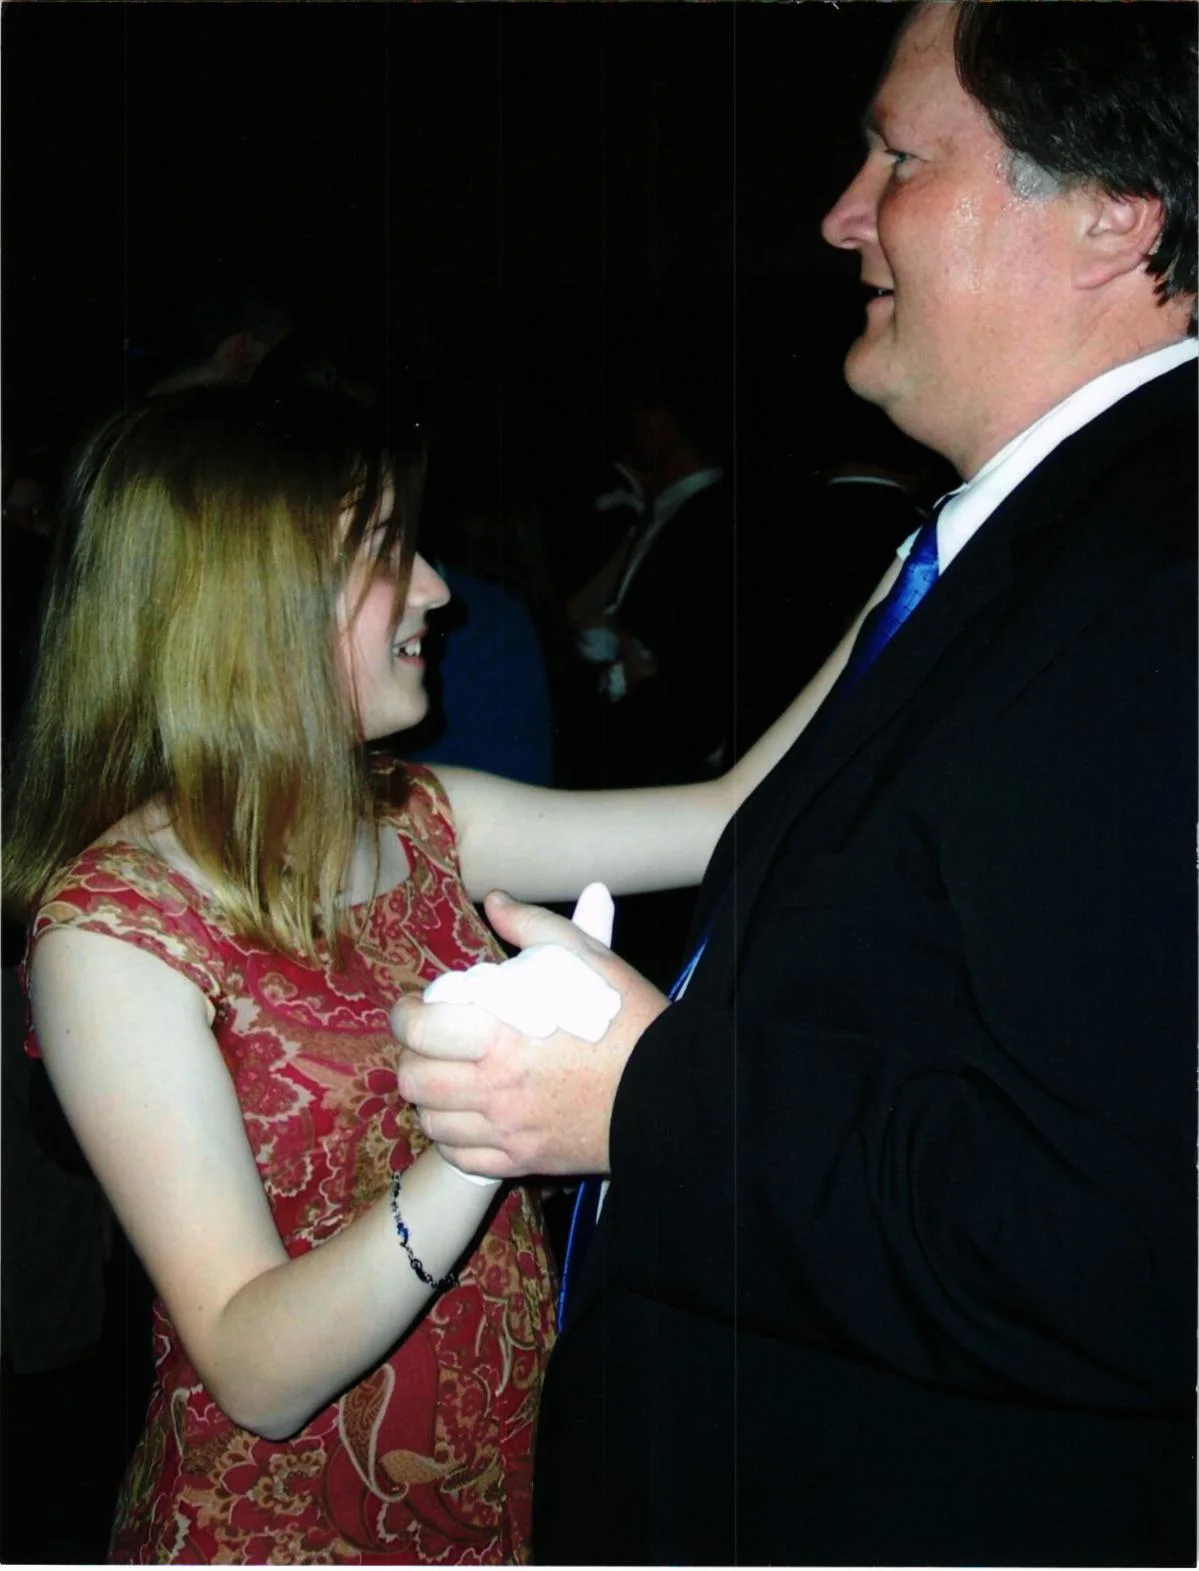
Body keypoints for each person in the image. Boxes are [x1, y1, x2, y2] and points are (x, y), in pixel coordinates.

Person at [392, 5, 1198, 1564]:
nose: (840, 214)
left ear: (1111, 214)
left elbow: (1132, 1232)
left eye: (898, 158)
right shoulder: (1008, 544)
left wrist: (644, 1099)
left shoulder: (1153, 579)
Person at [3, 382, 831, 1564]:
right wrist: (489, 1123)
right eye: (388, 553)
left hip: (505, 1489)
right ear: (250, 599)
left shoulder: (425, 815)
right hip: (287, 1532)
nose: (438, 589)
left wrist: (928, 565)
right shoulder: (115, 926)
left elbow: (730, 814)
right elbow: (253, 1366)